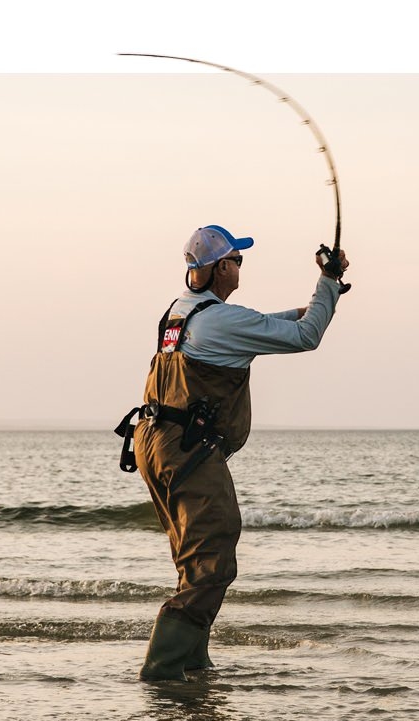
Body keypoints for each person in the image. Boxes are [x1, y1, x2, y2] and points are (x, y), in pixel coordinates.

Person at [125, 225, 347, 681]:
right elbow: (306, 337)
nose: (241, 267)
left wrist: (322, 299)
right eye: (238, 260)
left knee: (194, 557)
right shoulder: (220, 320)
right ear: (221, 266)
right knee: (216, 557)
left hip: (153, 443)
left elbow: (267, 324)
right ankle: (162, 670)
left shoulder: (182, 312)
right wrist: (327, 283)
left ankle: (194, 662)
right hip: (189, 449)